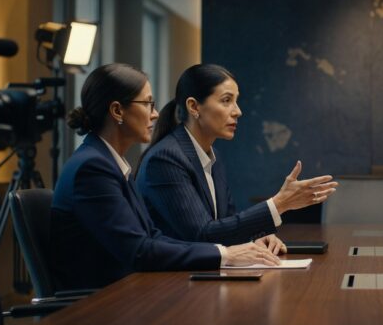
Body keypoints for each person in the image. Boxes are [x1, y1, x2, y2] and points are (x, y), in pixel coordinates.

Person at [51, 63, 281, 291]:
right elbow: (138, 251)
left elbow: (152, 236)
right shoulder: (92, 168)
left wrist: (236, 249)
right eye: (148, 103)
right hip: (99, 309)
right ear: (117, 111)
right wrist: (224, 253)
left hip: (127, 295)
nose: (155, 113)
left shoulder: (106, 161)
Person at [137, 64, 337, 248]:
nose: (238, 111)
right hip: (168, 283)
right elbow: (201, 235)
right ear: (194, 107)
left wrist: (255, 236)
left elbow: (226, 224)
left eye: (236, 101)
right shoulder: (165, 159)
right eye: (226, 101)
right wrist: (279, 204)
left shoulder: (214, 156)